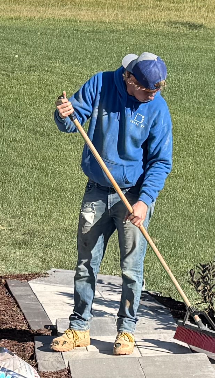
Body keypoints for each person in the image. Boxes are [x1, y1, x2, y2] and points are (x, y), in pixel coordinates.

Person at [49, 52, 172, 357]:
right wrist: (63, 113)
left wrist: (144, 202)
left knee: (131, 268)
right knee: (86, 261)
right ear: (130, 79)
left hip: (133, 196)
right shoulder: (101, 84)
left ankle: (127, 332)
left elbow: (160, 161)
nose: (152, 96)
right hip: (96, 191)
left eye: (157, 91)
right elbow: (71, 121)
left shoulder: (157, 108)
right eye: (147, 90)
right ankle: (79, 328)